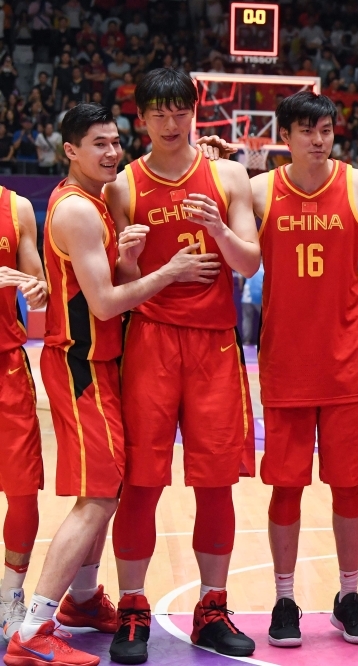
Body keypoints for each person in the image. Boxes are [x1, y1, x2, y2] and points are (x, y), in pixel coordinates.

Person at [3, 103, 219, 666]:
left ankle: (80, 601)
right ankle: (33, 629)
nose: (111, 153)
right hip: (81, 365)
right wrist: (166, 272)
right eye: (98, 144)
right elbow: (103, 302)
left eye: (115, 142)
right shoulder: (76, 210)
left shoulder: (96, 201)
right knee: (98, 498)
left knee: (106, 490)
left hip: (99, 364)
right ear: (70, 151)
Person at [248, 92, 358, 647]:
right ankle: (283, 599)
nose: (318, 140)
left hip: (348, 366)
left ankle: (348, 597)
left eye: (325, 130)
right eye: (306, 130)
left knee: (348, 487)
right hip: (285, 365)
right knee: (286, 489)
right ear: (287, 135)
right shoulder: (258, 192)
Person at [103, 69, 261, 664]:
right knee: (140, 482)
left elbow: (249, 264)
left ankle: (212, 608)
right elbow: (120, 284)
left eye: (180, 112)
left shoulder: (227, 174)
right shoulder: (123, 186)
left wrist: (217, 226)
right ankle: (134, 608)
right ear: (141, 119)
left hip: (215, 345)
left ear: (195, 113)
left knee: (215, 482)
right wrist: (132, 260)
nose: (171, 124)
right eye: (158, 114)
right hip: (150, 340)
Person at [0, 186, 46, 643]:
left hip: (7, 366)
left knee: (22, 490)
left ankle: (9, 597)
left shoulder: (15, 208)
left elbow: (41, 296)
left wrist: (36, 288)